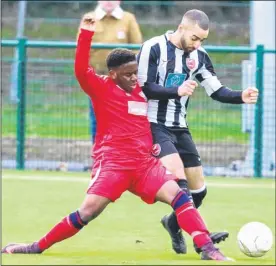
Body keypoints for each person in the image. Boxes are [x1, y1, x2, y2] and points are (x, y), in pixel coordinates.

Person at [1, 15, 233, 262]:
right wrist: (85, 34)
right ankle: (37, 246)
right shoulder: (101, 88)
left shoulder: (142, 91)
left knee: (180, 196)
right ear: (112, 74)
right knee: (87, 212)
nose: (135, 79)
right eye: (128, 74)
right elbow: (80, 70)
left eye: (136, 73)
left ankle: (208, 248)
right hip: (113, 165)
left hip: (144, 166)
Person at [137, 9, 259, 255]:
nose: (198, 44)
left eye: (202, 39)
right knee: (179, 180)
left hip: (180, 127)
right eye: (195, 38)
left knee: (198, 191)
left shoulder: (199, 56)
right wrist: (177, 91)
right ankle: (203, 241)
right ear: (182, 27)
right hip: (152, 124)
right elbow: (146, 87)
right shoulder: (153, 47)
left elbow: (217, 91)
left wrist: (240, 97)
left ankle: (173, 222)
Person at [77, 0, 143, 144]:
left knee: (124, 117)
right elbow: (82, 48)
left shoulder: (128, 19)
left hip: (121, 81)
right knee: (97, 117)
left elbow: (137, 48)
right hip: (97, 79)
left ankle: (125, 153)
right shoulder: (89, 17)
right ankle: (98, 154)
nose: (108, 2)